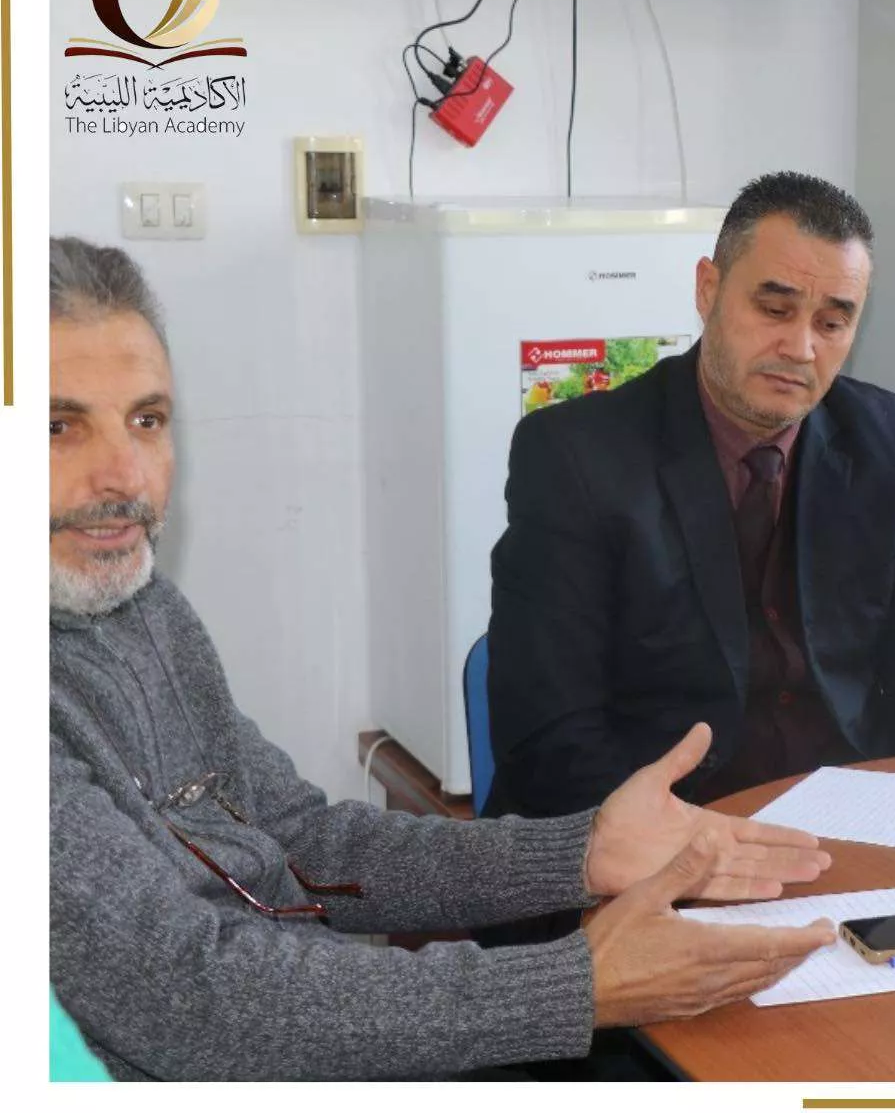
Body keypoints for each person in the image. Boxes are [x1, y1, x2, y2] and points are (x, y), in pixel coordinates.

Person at [48, 236, 836, 1080]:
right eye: (59, 427)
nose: (124, 476)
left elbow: (308, 844)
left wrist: (581, 852)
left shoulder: (143, 608)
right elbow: (195, 1001)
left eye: (147, 420)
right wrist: (577, 986)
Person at [484, 172, 895, 833]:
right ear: (708, 289)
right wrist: (701, 849)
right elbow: (550, 738)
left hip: (842, 828)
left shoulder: (893, 443)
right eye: (775, 310)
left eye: (832, 323)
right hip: (654, 832)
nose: (800, 349)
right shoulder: (577, 456)